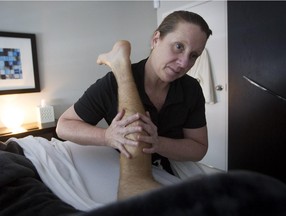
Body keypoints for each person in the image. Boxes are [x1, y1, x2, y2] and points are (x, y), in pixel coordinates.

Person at [56, 10, 212, 199]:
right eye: (179, 46)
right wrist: (107, 136)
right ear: (156, 39)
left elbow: (199, 148)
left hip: (171, 165)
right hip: (123, 164)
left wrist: (158, 143)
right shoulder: (113, 83)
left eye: (194, 55)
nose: (184, 62)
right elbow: (63, 126)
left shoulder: (191, 89)